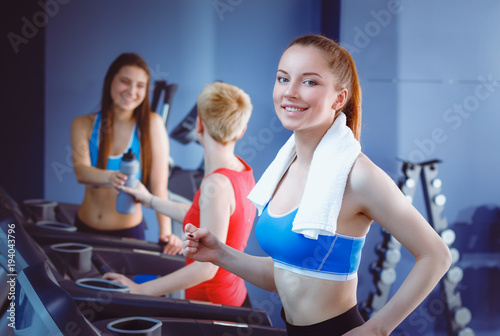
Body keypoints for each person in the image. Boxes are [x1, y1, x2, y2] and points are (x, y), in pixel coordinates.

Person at [183, 35, 452, 336]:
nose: (290, 92)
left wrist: (377, 329)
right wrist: (220, 254)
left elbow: (436, 255)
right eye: (283, 78)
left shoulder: (357, 175)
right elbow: (284, 274)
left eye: (309, 82)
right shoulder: (286, 166)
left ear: (339, 99)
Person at [103, 81, 256, 307]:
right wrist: (150, 200)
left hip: (213, 307)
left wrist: (139, 290)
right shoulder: (242, 170)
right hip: (236, 297)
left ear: (199, 124)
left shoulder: (216, 185)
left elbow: (206, 268)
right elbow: (206, 217)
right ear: (241, 131)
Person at [71, 53, 182, 255]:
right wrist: (110, 177)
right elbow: (81, 172)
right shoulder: (83, 124)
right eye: (125, 82)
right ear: (110, 81)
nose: (132, 91)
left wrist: (166, 233)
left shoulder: (152, 125)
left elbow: (159, 187)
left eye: (140, 86)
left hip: (127, 236)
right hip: (84, 230)